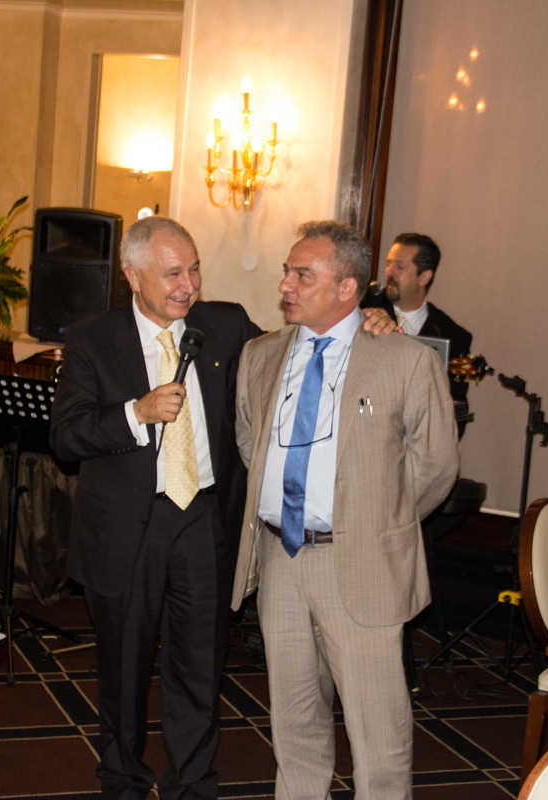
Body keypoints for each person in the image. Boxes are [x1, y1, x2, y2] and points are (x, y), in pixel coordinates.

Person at [48, 216, 396, 800]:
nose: (188, 285)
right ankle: (123, 781)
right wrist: (135, 413)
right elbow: (65, 437)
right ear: (133, 275)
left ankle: (191, 785)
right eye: (172, 274)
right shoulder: (92, 339)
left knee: (198, 668)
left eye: (194, 270)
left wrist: (367, 318)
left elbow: (302, 345)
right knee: (123, 673)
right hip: (125, 532)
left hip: (204, 522)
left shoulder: (226, 325)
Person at [231, 220, 459, 799]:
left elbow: (435, 466)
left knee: (377, 733)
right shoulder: (259, 355)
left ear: (347, 288)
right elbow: (250, 442)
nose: (285, 284)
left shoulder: (405, 360)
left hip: (360, 564)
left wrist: (375, 522)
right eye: (287, 271)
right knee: (294, 722)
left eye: (302, 274)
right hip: (280, 556)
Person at [381, 233, 474, 436]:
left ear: (424, 277)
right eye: (388, 264)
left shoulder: (454, 336)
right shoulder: (365, 311)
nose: (389, 273)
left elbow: (456, 413)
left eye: (400, 267)